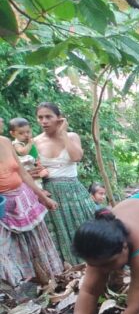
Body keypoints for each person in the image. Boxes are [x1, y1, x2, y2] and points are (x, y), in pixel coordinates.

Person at [33, 103, 98, 264]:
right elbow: (29, 169)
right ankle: (67, 275)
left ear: (59, 118)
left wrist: (63, 134)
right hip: (49, 194)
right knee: (58, 236)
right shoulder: (34, 142)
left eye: (49, 117)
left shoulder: (72, 136)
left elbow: (76, 157)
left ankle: (98, 267)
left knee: (86, 231)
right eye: (40, 117)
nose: (44, 121)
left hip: (74, 192)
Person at [0, 135, 63, 287]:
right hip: (3, 206)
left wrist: (43, 197)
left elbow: (23, 174)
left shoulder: (6, 142)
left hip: (24, 200)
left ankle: (47, 283)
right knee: (4, 250)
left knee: (36, 243)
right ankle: (14, 288)